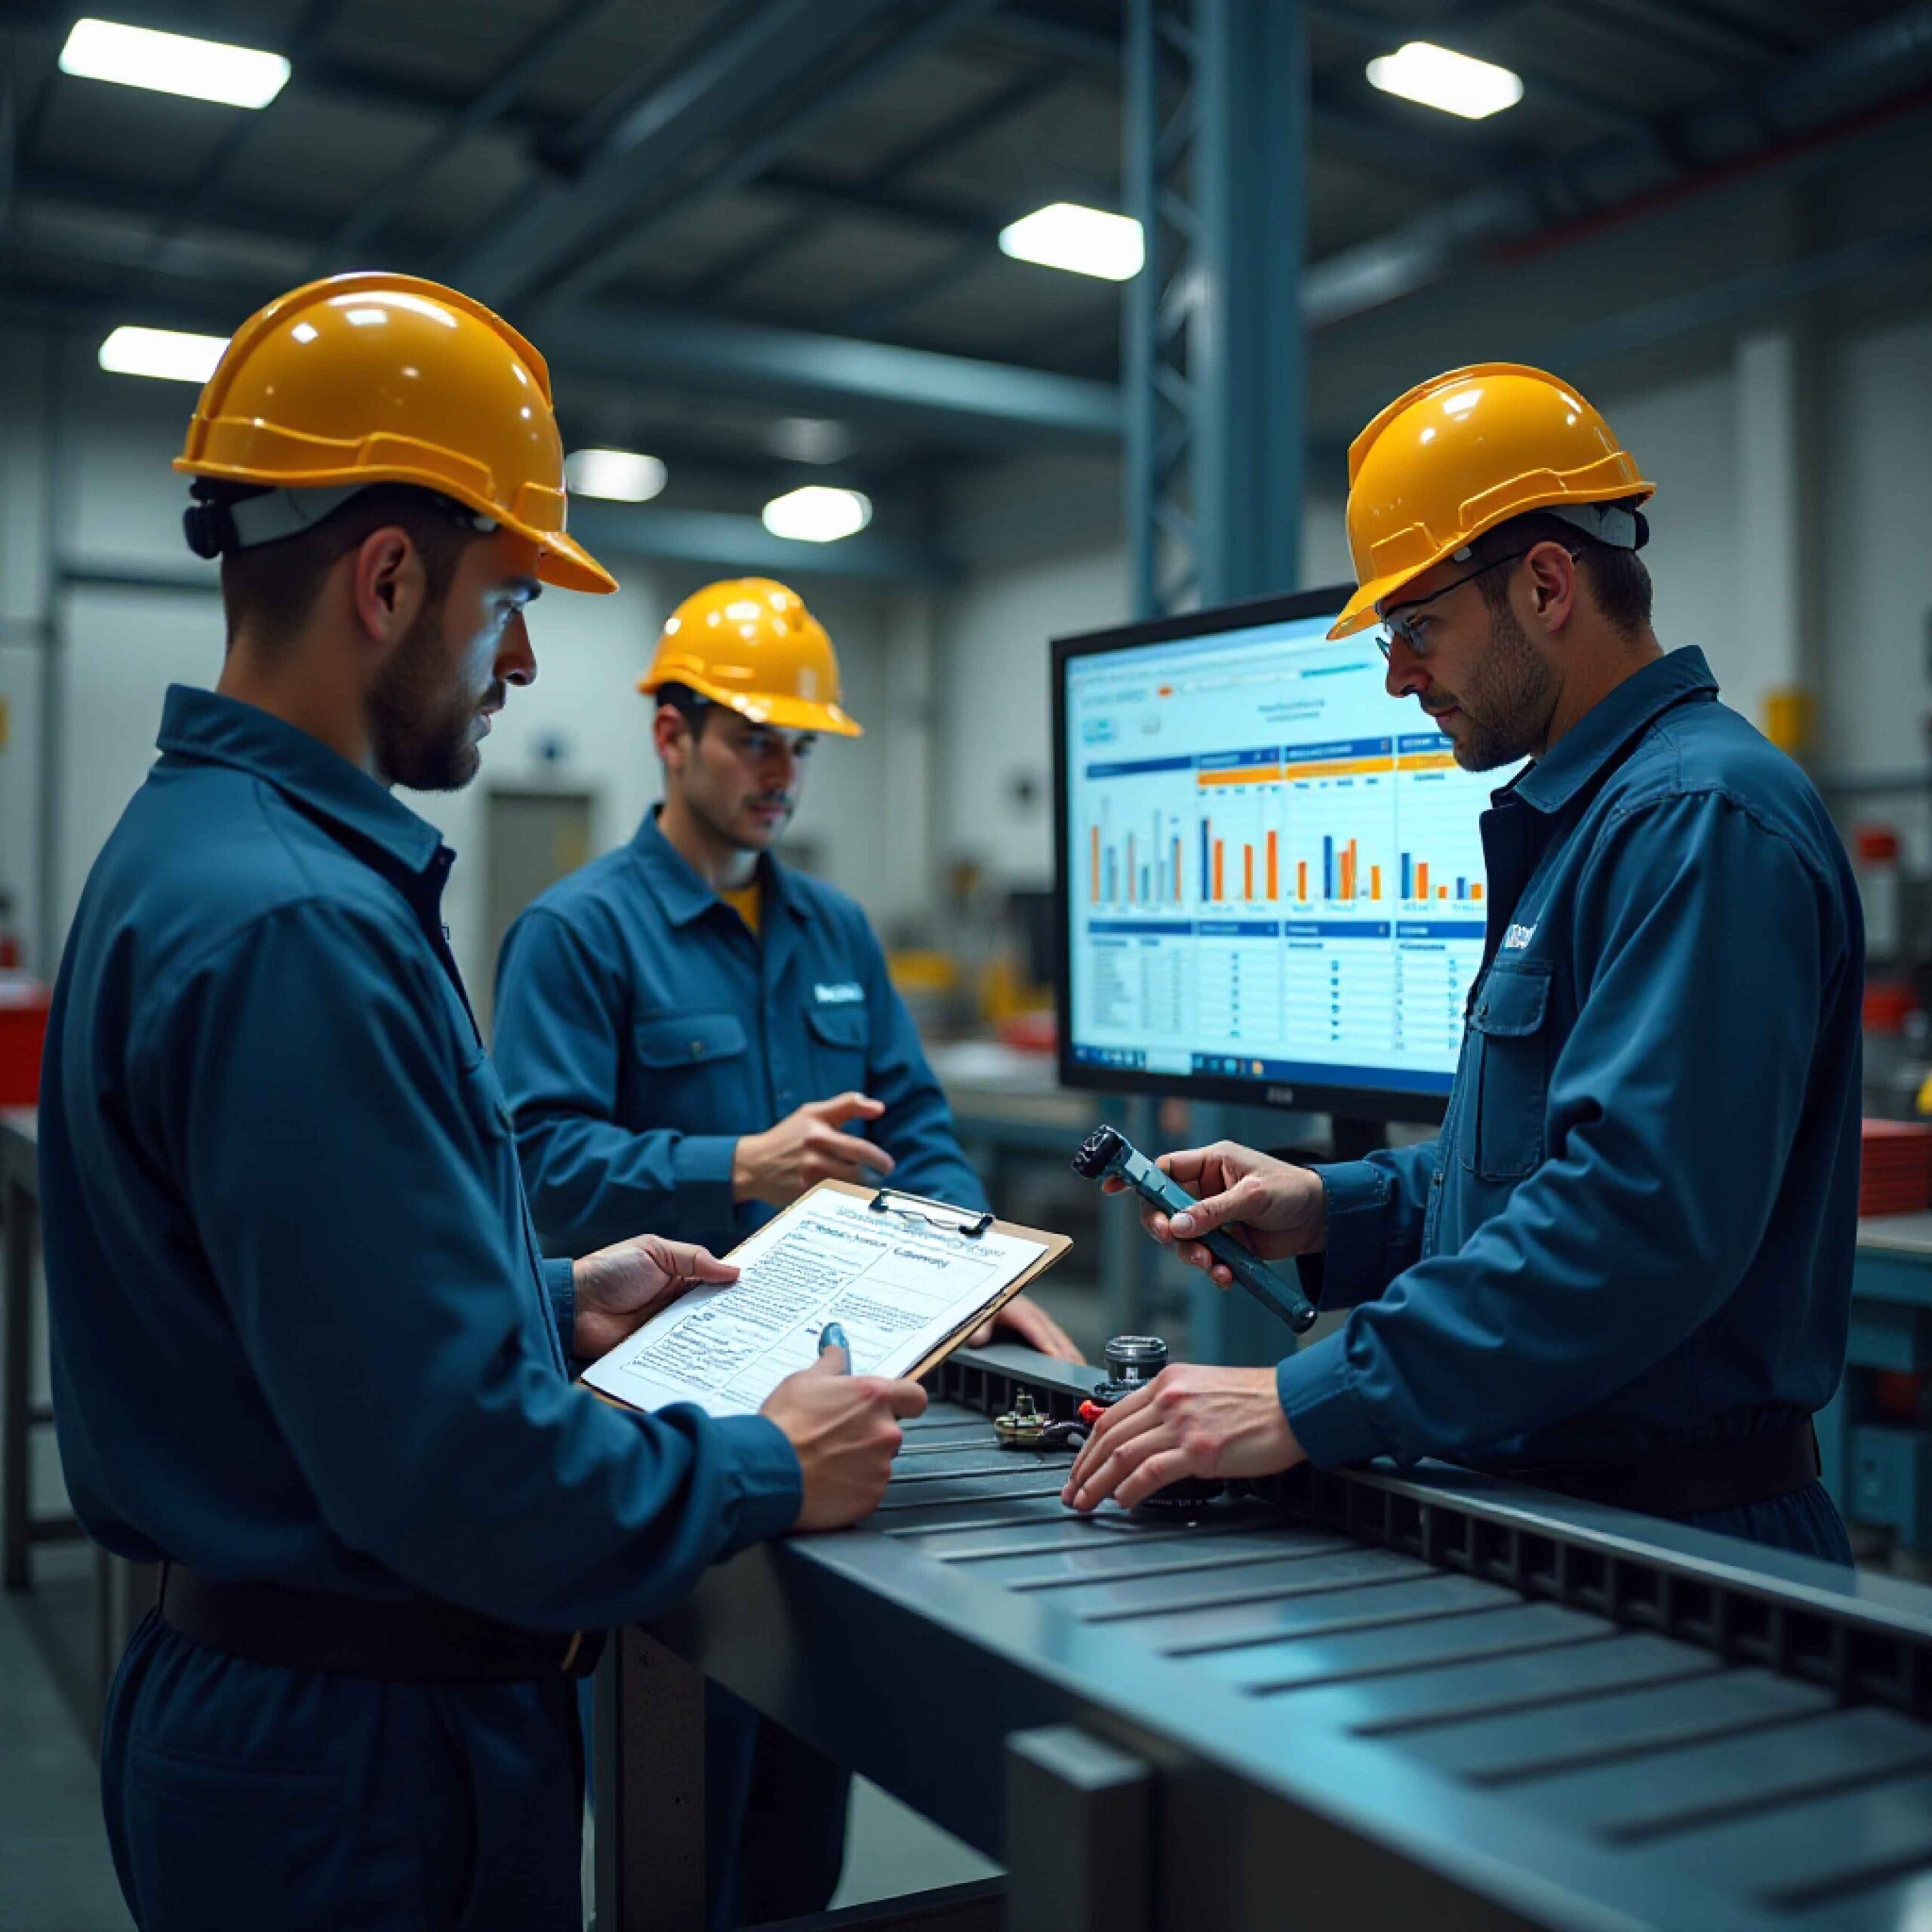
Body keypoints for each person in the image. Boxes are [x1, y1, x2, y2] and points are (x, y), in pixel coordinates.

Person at [38, 272, 924, 1932]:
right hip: (356, 1770)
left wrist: (546, 1293)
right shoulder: (299, 921)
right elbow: (460, 1470)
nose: (519, 657)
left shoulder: (200, 852)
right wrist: (764, 1462)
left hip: (307, 1728)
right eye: (506, 599)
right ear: (387, 580)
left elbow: (306, 1313)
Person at [1065, 361, 1860, 1565]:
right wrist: (1332, 1209)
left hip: (1681, 1550)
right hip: (1564, 1514)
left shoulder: (1697, 820)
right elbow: (1538, 1165)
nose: (1398, 675)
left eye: (1417, 628)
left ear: (1545, 585)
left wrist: (1307, 1400)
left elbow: (1632, 1225)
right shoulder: (1596, 818)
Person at [491, 577, 1081, 1921]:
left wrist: (975, 1273)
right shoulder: (578, 934)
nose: (782, 773)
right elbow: (538, 1165)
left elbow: (915, 1132)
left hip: (833, 1423)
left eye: (798, 746)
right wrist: (731, 1167)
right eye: (754, 739)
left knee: (802, 1822)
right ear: (671, 734)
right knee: (676, 1817)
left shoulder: (834, 931)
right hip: (665, 1436)